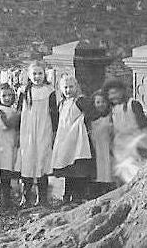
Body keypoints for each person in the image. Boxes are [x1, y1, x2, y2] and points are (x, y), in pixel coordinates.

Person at [17, 61, 58, 207]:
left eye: (40, 73)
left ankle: (42, 198)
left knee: (42, 159)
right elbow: (19, 112)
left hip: (43, 128)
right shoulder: (24, 91)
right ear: (29, 75)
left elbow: (54, 113)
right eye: (34, 73)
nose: (37, 76)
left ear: (44, 74)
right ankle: (25, 196)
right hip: (27, 129)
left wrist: (54, 131)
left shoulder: (49, 91)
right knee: (27, 159)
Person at [51, 74, 94, 204]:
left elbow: (91, 113)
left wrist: (83, 123)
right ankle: (67, 194)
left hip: (78, 139)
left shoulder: (79, 101)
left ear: (76, 87)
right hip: (65, 139)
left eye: (71, 87)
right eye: (65, 87)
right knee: (67, 166)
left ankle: (78, 195)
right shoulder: (62, 103)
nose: (68, 90)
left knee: (78, 167)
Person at [103, 78, 147, 183]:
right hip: (121, 149)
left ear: (122, 91)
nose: (112, 97)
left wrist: (141, 145)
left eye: (114, 93)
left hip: (136, 146)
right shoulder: (114, 110)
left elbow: (144, 127)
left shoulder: (132, 105)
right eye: (110, 94)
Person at [0, 83, 21, 207]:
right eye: (4, 95)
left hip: (10, 143)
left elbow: (16, 127)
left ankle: (7, 198)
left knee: (7, 171)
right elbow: (3, 126)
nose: (7, 98)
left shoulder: (14, 111)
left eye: (9, 95)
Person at [88, 91, 115, 198]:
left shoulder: (111, 117)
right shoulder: (91, 119)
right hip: (96, 148)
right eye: (98, 102)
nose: (101, 104)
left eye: (103, 102)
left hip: (107, 147)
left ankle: (108, 189)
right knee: (97, 170)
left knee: (108, 169)